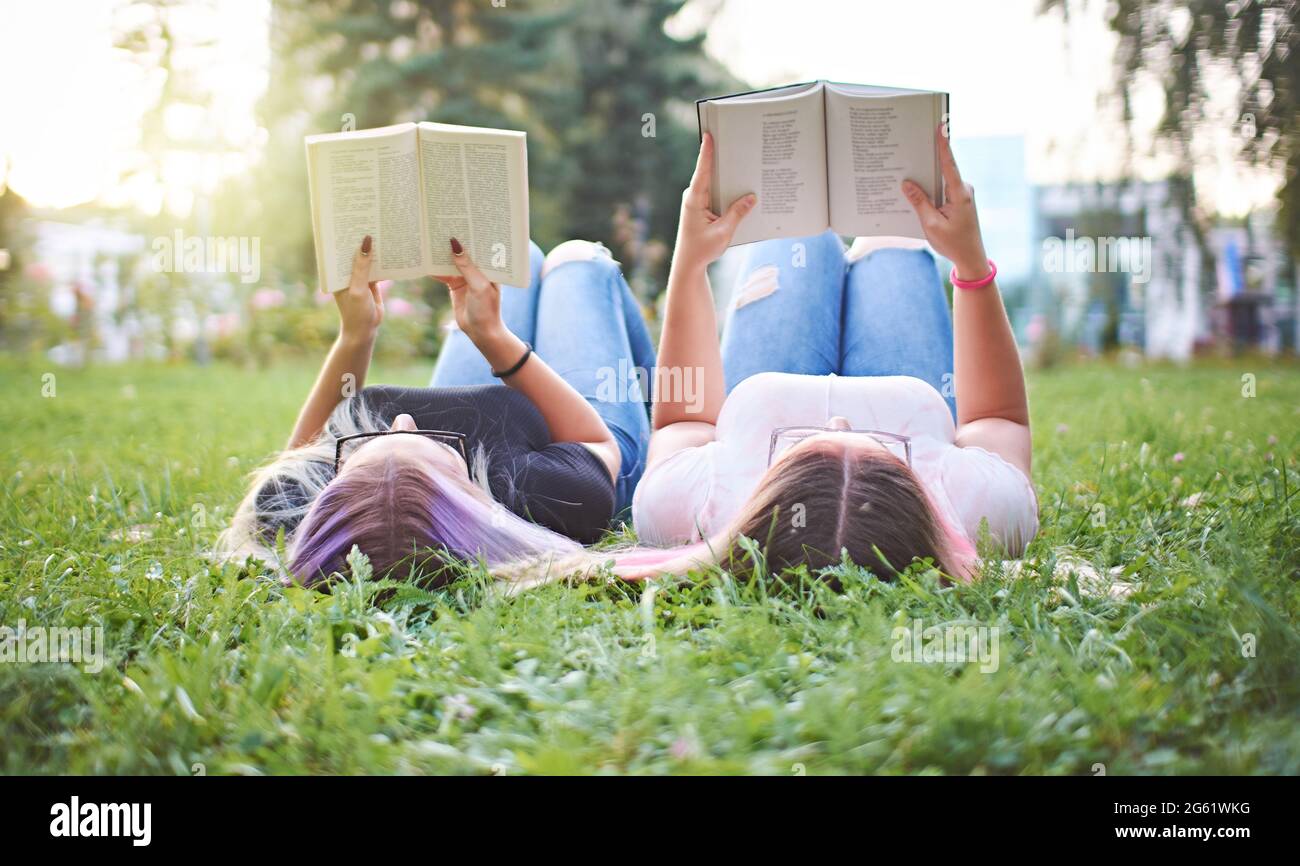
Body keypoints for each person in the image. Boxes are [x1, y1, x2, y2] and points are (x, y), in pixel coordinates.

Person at [506, 126, 1036, 588]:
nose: (836, 419)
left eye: (806, 450)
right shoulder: (981, 511)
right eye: (875, 452)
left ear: (763, 494)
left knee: (797, 231)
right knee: (892, 241)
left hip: (765, 381)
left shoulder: (691, 503)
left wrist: (691, 263)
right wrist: (969, 264)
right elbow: (998, 418)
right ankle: (884, 248)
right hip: (912, 384)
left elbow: (687, 416)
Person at [221, 235, 655, 585]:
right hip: (581, 442)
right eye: (425, 441)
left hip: (496, 414)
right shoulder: (549, 491)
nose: (403, 421)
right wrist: (494, 340)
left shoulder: (311, 507)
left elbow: (301, 458)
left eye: (374, 440)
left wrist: (356, 334)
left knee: (512, 254)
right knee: (580, 263)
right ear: (464, 487)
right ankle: (673, 416)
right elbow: (593, 440)